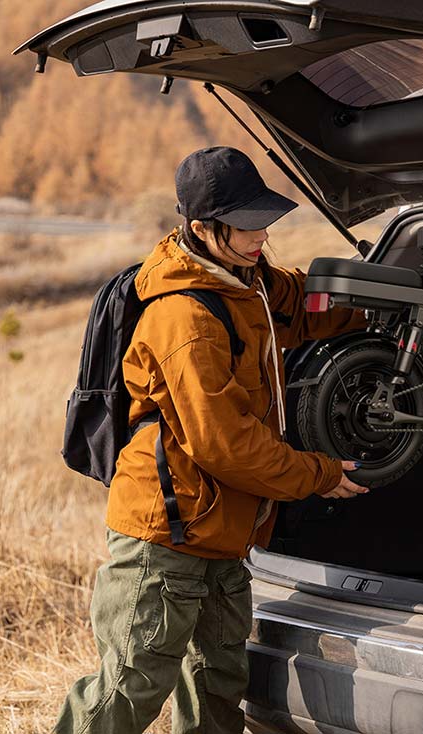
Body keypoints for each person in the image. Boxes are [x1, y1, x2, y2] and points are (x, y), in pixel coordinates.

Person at [52, 147, 369, 734]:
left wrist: (378, 302)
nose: (262, 235)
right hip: (165, 536)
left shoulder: (246, 283)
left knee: (220, 685)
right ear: (202, 229)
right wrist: (320, 474)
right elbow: (225, 443)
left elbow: (300, 309)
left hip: (220, 533)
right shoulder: (185, 318)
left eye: (265, 220)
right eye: (247, 225)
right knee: (130, 686)